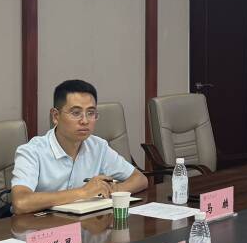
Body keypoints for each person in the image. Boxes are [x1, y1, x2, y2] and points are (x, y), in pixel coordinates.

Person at [11, 79, 148, 214]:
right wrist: (83, 192)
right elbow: (21, 202)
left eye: (91, 113)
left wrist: (111, 190)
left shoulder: (98, 146)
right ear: (56, 116)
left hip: (87, 223)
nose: (85, 121)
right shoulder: (32, 151)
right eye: (76, 113)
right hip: (43, 225)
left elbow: (140, 179)